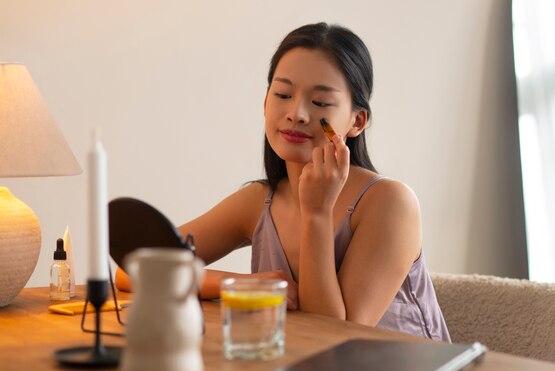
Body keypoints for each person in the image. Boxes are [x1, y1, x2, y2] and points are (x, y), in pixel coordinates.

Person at [116, 22, 450, 342]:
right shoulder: (259, 201)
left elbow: (333, 336)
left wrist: (317, 212)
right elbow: (132, 268)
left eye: (319, 102)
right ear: (265, 103)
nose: (297, 113)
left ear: (357, 121)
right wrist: (239, 284)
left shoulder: (390, 203)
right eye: (283, 94)